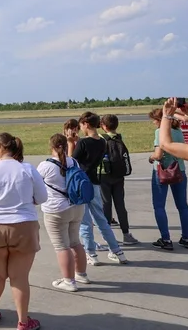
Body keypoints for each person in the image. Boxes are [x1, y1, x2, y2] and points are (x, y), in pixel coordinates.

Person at [0, 133, 48, 330]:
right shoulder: (27, 169)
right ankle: (23, 321)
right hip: (23, 224)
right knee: (19, 277)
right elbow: (42, 197)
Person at [68, 112, 129, 265]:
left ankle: (91, 254)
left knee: (85, 222)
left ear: (86, 124)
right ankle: (117, 251)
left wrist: (71, 143)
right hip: (95, 183)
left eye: (81, 125)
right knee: (101, 219)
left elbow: (71, 162)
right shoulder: (102, 142)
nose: (80, 128)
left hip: (81, 184)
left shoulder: (83, 143)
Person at [37, 134, 91, 292]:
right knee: (75, 242)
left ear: (51, 147)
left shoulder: (45, 166)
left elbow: (36, 184)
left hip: (56, 210)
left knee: (61, 246)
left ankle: (69, 281)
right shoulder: (73, 161)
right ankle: (81, 273)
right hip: (76, 206)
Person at [147, 108, 188, 250]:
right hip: (180, 170)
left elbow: (158, 154)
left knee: (159, 205)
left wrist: (151, 157)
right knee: (183, 205)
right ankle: (186, 238)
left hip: (162, 171)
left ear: (161, 120)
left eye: (154, 120)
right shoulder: (178, 131)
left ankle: (166, 239)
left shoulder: (160, 132)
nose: (154, 123)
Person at [99, 114, 138, 245]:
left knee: (106, 204)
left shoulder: (101, 139)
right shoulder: (119, 139)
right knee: (120, 205)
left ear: (103, 126)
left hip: (104, 175)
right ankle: (126, 234)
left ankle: (108, 235)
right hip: (119, 176)